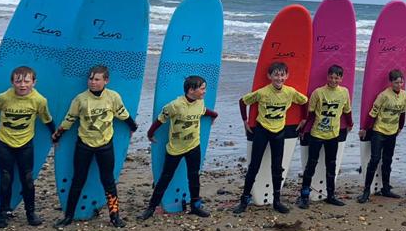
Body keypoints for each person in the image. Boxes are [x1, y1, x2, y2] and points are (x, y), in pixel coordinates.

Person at [53, 65, 138, 228]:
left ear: (106, 81)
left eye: (97, 79)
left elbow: (123, 114)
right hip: (84, 145)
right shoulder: (80, 99)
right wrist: (57, 136)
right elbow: (69, 120)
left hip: (105, 146)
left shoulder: (113, 97)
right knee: (78, 180)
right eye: (90, 78)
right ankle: (68, 216)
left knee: (108, 181)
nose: (92, 82)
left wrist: (133, 127)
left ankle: (115, 216)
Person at [233, 61, 308, 214]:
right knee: (254, 166)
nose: (279, 78)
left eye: (282, 75)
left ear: (286, 76)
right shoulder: (262, 92)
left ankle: (277, 201)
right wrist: (245, 121)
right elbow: (243, 101)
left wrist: (304, 119)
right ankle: (244, 200)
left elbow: (304, 101)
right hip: (262, 131)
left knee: (277, 168)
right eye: (276, 75)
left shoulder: (290, 92)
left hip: (279, 132)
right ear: (269, 76)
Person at [138, 75, 217, 220]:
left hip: (193, 146)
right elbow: (161, 119)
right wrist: (150, 133)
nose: (205, 91)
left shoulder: (200, 102)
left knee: (194, 176)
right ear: (191, 90)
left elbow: (203, 111)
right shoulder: (175, 105)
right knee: (165, 178)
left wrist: (214, 115)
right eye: (202, 88)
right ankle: (150, 208)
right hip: (175, 148)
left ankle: (195, 206)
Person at [0, 66, 56, 227]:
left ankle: (30, 212)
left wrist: (56, 135)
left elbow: (46, 119)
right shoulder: (4, 97)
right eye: (18, 81)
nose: (22, 85)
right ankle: (3, 213)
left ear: (34, 82)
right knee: (6, 177)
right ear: (12, 82)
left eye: (27, 81)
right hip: (4, 142)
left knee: (27, 178)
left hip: (25, 144)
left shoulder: (39, 100)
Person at [296, 64, 352, 208]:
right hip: (317, 134)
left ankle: (331, 195)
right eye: (331, 77)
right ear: (327, 77)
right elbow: (310, 113)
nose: (334, 80)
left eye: (337, 78)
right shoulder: (318, 93)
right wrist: (303, 129)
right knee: (311, 166)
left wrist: (350, 123)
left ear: (341, 78)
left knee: (331, 166)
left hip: (334, 135)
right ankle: (304, 196)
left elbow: (347, 111)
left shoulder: (344, 92)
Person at [357, 68, 406, 203]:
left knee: (388, 160)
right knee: (374, 160)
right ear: (391, 82)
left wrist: (400, 127)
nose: (399, 85)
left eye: (401, 82)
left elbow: (402, 113)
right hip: (379, 131)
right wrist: (364, 128)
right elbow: (372, 114)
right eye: (396, 82)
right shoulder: (383, 95)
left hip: (392, 132)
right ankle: (366, 191)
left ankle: (385, 188)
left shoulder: (404, 95)